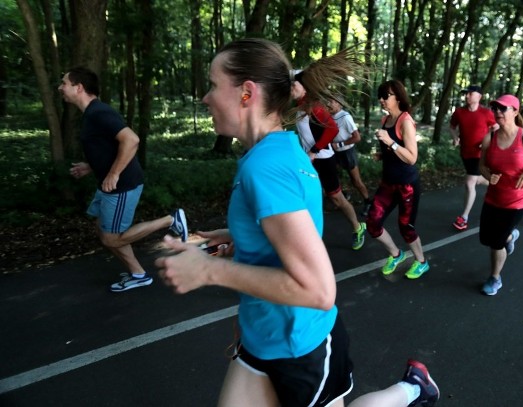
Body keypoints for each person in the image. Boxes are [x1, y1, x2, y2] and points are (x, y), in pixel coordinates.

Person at [155, 38, 439, 407]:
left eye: (212, 85)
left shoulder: (266, 166)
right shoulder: (281, 147)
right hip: (262, 336)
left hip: (299, 346)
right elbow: (294, 227)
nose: (205, 98)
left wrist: (209, 271)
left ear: (246, 93)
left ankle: (413, 388)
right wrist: (243, 238)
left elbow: (319, 291)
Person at [59, 67, 188, 292]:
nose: (60, 87)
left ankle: (170, 220)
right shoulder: (91, 114)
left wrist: (113, 174)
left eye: (64, 83)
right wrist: (91, 166)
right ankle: (138, 274)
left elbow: (131, 140)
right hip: (108, 185)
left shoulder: (99, 112)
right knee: (102, 230)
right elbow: (109, 146)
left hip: (121, 186)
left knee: (111, 238)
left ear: (78, 88)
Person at [478, 94, 523, 296]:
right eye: (495, 108)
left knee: (496, 242)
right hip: (493, 197)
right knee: (486, 238)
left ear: (515, 112)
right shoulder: (489, 137)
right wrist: (488, 175)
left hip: (517, 200)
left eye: (503, 108)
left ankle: (494, 278)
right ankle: (511, 236)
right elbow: (482, 165)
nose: (498, 112)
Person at [291, 75, 366, 251]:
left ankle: (357, 227)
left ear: (305, 88)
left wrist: (314, 150)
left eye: (294, 85)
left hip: (323, 159)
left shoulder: (315, 107)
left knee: (336, 198)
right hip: (309, 159)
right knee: (306, 194)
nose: (291, 88)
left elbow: (332, 128)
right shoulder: (300, 106)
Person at [366, 80, 430, 280]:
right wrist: (382, 154)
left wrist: (390, 142)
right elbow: (390, 150)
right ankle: (396, 254)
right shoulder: (386, 121)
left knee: (405, 227)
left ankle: (421, 262)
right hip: (388, 183)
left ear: (398, 97)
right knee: (372, 223)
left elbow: (412, 158)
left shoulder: (406, 121)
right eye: (381, 96)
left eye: (386, 96)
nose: (382, 100)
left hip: (407, 185)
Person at [449, 85, 499, 231]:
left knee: (470, 182)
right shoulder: (459, 112)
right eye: (466, 94)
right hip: (465, 153)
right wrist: (455, 137)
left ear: (479, 96)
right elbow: (452, 127)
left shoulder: (486, 113)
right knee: (477, 180)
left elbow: (496, 128)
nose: (467, 96)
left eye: (471, 94)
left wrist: (486, 142)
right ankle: (496, 181)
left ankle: (464, 218)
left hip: (480, 154)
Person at [327, 96, 373, 217]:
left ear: (339, 104)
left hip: (347, 152)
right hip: (335, 152)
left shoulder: (345, 117)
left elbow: (357, 137)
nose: (328, 104)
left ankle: (368, 202)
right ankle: (345, 196)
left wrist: (340, 144)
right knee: (334, 177)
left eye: (331, 102)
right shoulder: (330, 117)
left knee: (356, 181)